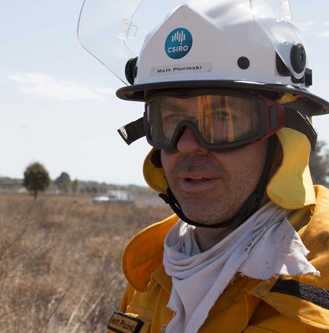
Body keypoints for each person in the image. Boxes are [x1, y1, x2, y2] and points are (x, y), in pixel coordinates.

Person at [78, 0, 329, 332]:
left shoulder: (317, 266)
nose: (186, 144)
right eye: (169, 120)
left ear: (283, 134)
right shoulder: (155, 267)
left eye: (222, 117)